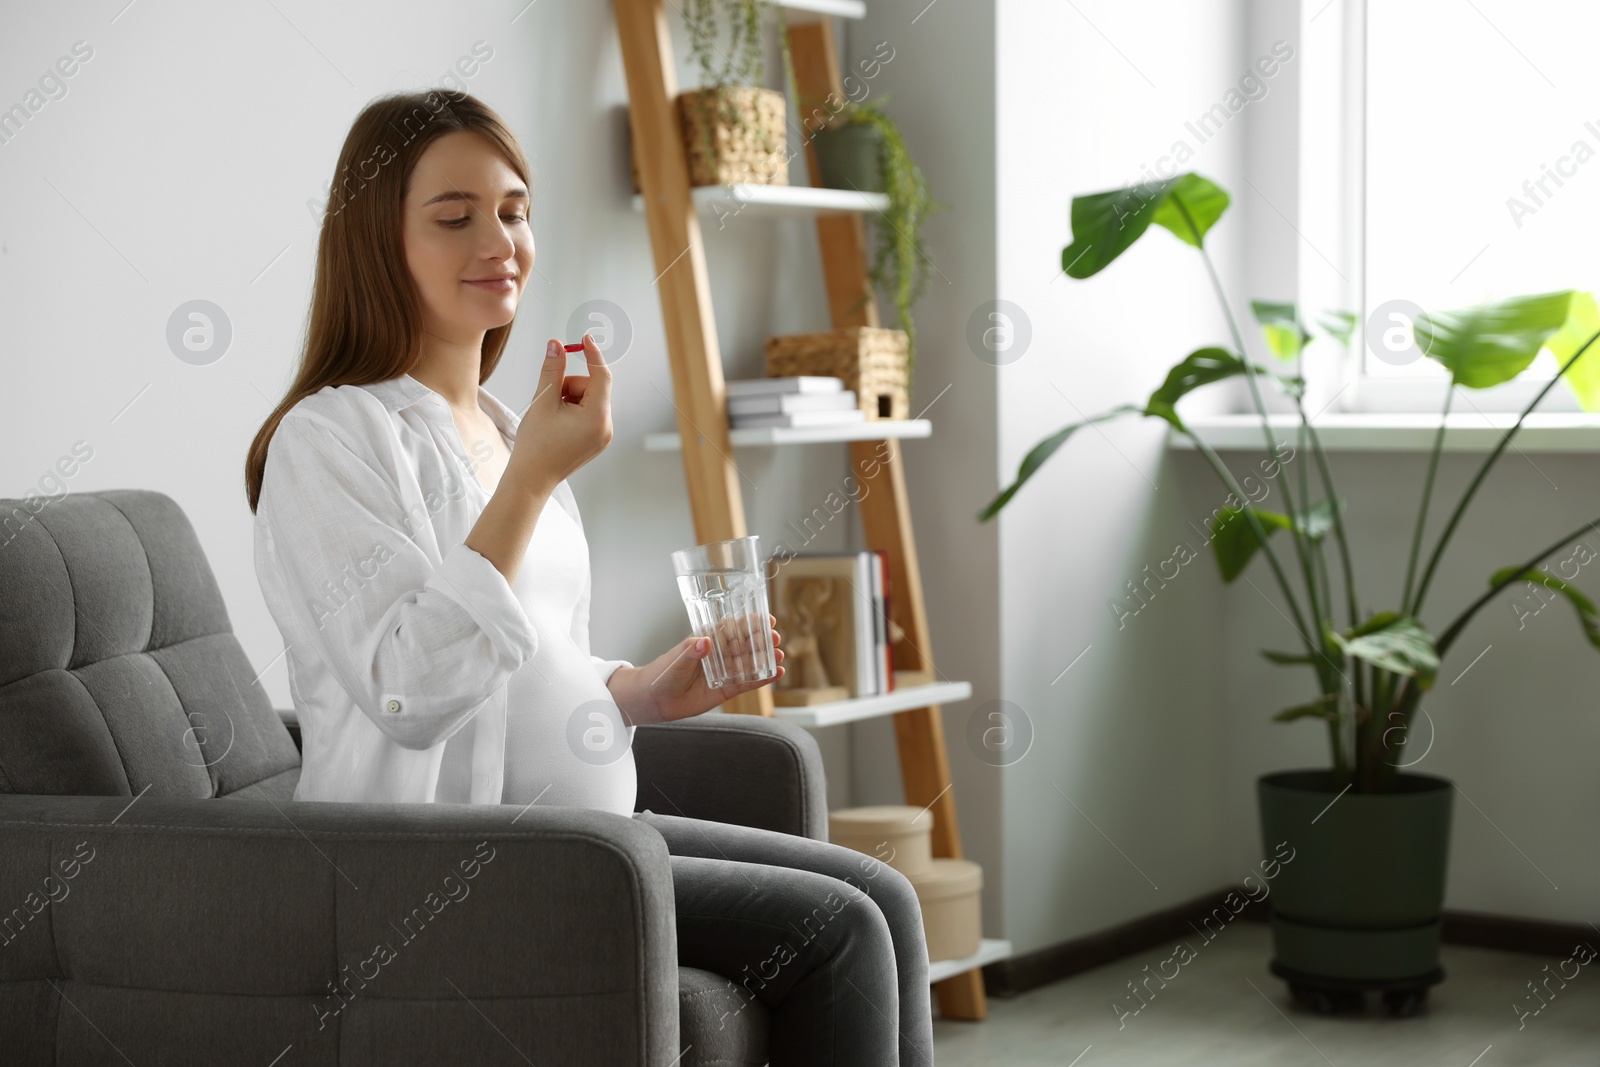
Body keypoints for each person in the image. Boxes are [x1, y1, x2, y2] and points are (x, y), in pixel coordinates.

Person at [244, 88, 933, 1067]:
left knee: (888, 898)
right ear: (374, 241)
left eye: (514, 211)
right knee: (840, 931)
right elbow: (409, 685)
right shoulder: (331, 439)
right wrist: (533, 478)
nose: (500, 240)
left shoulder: (504, 424)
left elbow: (537, 650)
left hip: (589, 836)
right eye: (454, 216)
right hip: (452, 868)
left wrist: (641, 690)